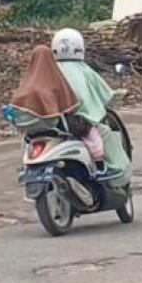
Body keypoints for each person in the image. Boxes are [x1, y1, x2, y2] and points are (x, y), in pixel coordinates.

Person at [51, 28, 131, 182]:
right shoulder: (84, 70)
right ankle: (114, 173)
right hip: (78, 122)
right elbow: (104, 94)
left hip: (51, 122)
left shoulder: (48, 71)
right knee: (104, 136)